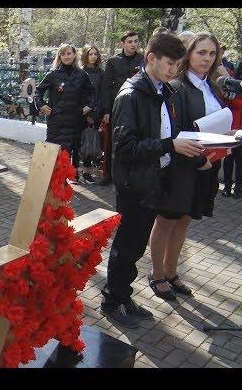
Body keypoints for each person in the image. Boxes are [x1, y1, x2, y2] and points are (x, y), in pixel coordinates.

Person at [100, 32, 204, 328]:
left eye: (178, 64)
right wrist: (170, 145)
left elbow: (164, 132)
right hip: (135, 184)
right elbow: (125, 148)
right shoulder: (131, 95)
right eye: (170, 63)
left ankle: (123, 295)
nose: (174, 70)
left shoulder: (163, 91)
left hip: (153, 180)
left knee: (136, 246)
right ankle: (111, 300)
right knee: (126, 245)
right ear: (151, 59)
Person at [148, 33, 227, 301]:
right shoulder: (177, 87)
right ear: (189, 54)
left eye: (212, 54)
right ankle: (157, 273)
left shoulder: (213, 86)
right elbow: (177, 130)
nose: (207, 59)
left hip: (207, 165)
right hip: (181, 166)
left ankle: (171, 272)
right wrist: (199, 159)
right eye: (201, 52)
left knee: (184, 222)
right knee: (167, 221)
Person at [34, 43, 94, 182]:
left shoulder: (82, 75)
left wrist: (90, 106)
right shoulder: (53, 75)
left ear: (74, 55)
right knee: (54, 153)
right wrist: (41, 105)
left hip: (74, 121)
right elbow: (38, 90)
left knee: (69, 153)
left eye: (69, 53)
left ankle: (65, 184)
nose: (67, 56)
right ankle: (50, 184)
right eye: (63, 54)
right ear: (59, 56)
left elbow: (92, 92)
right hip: (56, 121)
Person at [99, 30, 145, 186]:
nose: (133, 45)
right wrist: (106, 110)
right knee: (112, 141)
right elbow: (105, 87)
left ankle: (130, 175)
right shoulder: (113, 61)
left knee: (134, 139)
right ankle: (108, 174)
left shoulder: (143, 60)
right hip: (116, 106)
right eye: (130, 42)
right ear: (123, 43)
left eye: (136, 41)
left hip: (137, 106)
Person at [79, 44, 105, 184]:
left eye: (96, 54)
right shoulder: (81, 72)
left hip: (95, 112)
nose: (94, 56)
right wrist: (86, 111)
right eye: (91, 54)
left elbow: (101, 93)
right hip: (82, 112)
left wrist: (96, 113)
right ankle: (78, 172)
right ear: (85, 55)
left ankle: (87, 172)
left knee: (90, 142)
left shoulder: (101, 73)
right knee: (80, 142)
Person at [222, 64, 242, 198]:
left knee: (239, 163)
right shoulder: (232, 84)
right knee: (229, 160)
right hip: (230, 130)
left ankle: (238, 189)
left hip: (239, 131)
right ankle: (227, 188)